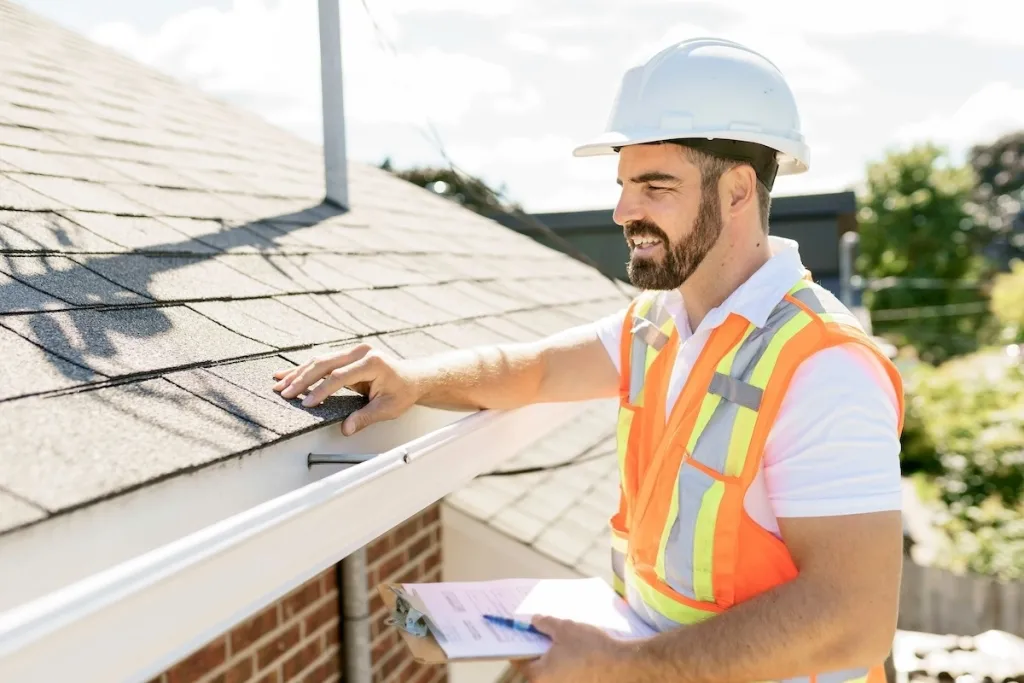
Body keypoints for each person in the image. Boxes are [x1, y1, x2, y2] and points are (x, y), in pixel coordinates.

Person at [273, 37, 904, 683]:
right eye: (625, 184)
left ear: (738, 190)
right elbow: (538, 369)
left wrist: (623, 664)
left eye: (655, 186)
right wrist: (412, 378)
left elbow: (853, 617)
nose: (624, 211)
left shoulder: (823, 364)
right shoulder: (661, 322)